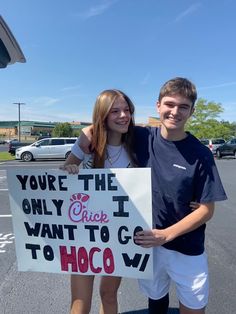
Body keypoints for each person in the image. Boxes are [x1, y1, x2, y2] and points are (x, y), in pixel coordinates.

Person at [78, 77, 227, 314]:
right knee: (156, 300)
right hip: (148, 243)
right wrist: (79, 143)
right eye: (169, 104)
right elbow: (100, 125)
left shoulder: (201, 154)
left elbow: (206, 210)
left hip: (186, 247)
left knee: (194, 307)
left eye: (183, 107)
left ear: (192, 111)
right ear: (158, 106)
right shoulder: (143, 137)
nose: (175, 111)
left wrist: (166, 235)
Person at [60, 89, 137, 314]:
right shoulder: (87, 144)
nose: (123, 115)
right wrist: (71, 169)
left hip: (118, 233)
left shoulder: (137, 144)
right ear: (103, 114)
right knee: (80, 302)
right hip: (85, 232)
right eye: (115, 111)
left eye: (127, 110)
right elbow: (62, 175)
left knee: (109, 295)